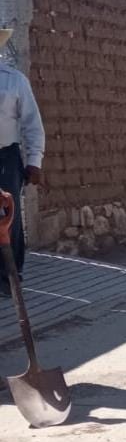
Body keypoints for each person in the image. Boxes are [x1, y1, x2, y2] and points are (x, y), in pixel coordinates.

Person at [0, 29, 45, 277]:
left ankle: (10, 275)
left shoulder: (14, 80)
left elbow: (32, 124)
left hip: (6, 155)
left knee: (9, 214)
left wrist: (34, 162)